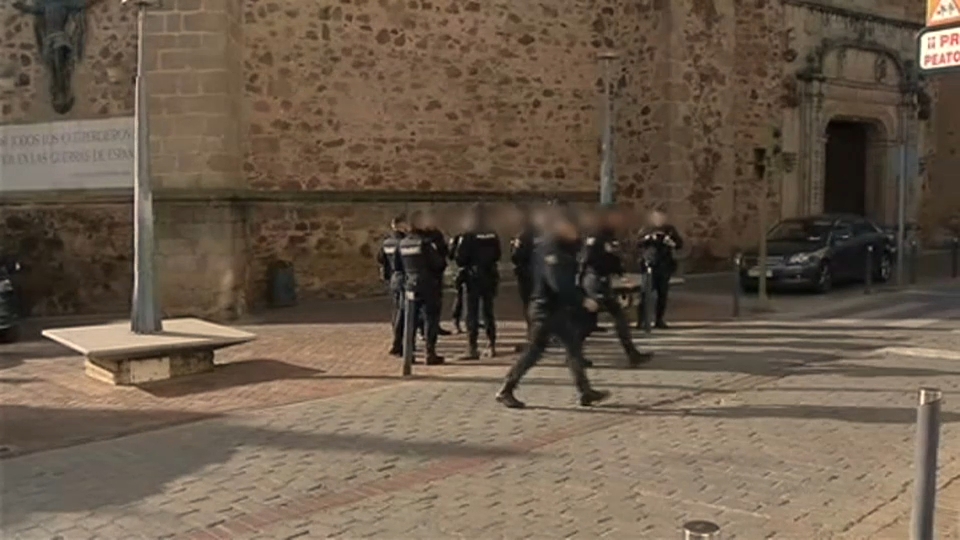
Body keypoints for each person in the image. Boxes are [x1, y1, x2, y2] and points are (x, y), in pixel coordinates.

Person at [495, 207, 610, 409]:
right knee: (534, 352)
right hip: (545, 310)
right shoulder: (551, 250)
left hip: (554, 309)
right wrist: (583, 300)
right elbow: (559, 283)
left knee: (572, 346)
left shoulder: (562, 247)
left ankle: (585, 391)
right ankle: (506, 389)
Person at [580, 205, 653, 367]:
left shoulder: (608, 236)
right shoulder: (596, 236)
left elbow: (613, 259)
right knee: (587, 322)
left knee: (616, 317)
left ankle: (632, 353)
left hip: (603, 281)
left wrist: (621, 274)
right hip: (595, 281)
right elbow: (588, 260)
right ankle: (573, 353)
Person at [393, 211, 446, 365]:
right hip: (428, 284)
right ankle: (430, 353)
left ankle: (409, 353)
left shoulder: (402, 243)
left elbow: (397, 266)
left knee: (410, 319)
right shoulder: (425, 243)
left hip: (410, 284)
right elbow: (438, 264)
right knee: (430, 318)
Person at [454, 204, 502, 359]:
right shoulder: (492, 234)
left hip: (473, 277)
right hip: (490, 274)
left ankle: (472, 347)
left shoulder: (468, 235)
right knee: (488, 311)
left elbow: (460, 258)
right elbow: (498, 254)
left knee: (472, 313)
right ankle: (491, 344)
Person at [637, 209, 683, 329]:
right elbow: (638, 242)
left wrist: (670, 242)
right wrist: (648, 238)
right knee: (645, 294)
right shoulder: (647, 228)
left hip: (664, 265)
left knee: (662, 294)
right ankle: (641, 320)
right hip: (649, 265)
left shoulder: (669, 230)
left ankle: (659, 319)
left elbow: (679, 244)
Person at [377, 214, 408, 356]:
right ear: (402, 225)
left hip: (393, 279)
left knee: (396, 311)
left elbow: (380, 259)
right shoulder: (404, 241)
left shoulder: (387, 242)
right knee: (404, 312)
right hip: (404, 278)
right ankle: (400, 344)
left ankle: (397, 341)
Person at [421, 211, 453, 337]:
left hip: (437, 272)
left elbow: (444, 250)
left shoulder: (437, 234)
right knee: (423, 305)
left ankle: (435, 326)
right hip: (425, 273)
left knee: (437, 302)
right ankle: (423, 329)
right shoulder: (421, 237)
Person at [448, 230, 466, 333]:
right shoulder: (457, 237)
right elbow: (451, 254)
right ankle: (456, 321)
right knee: (459, 297)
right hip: (459, 270)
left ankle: (473, 320)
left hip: (465, 270)